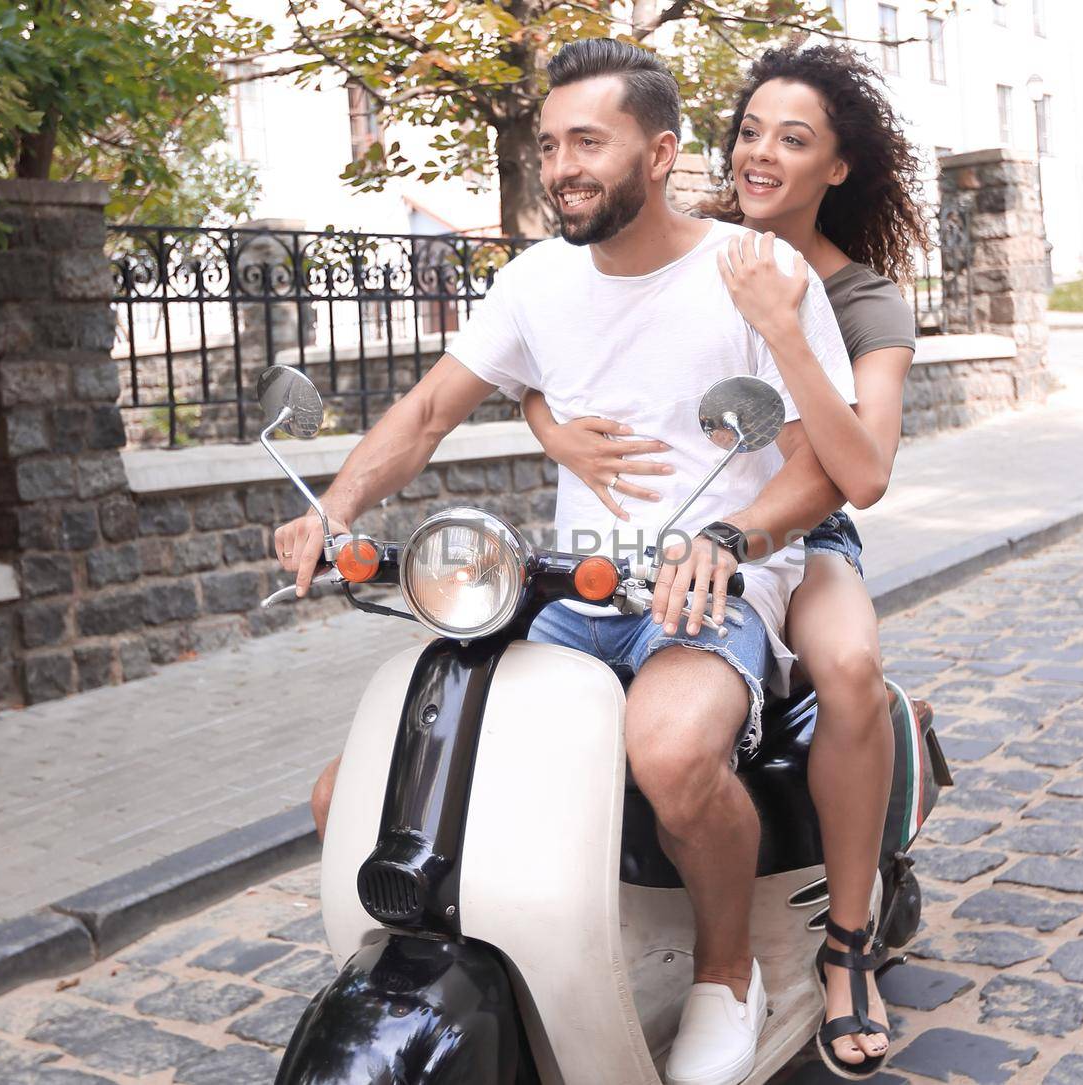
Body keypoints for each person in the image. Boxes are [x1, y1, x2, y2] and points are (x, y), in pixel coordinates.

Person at [280, 38, 860, 1085]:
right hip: (569, 585)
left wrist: (730, 539)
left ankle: (727, 973)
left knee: (675, 749)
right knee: (362, 785)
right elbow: (424, 414)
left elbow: (819, 467)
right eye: (549, 146)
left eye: (586, 141)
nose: (560, 167)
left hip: (705, 584)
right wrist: (337, 504)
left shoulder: (752, 271)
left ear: (659, 152)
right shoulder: (537, 282)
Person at [518, 44, 924, 1077]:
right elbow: (553, 348)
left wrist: (784, 331)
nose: (760, 153)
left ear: (836, 165)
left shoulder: (858, 295)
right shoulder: (686, 245)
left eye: (793, 139)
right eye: (749, 129)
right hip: (685, 538)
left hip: (804, 521)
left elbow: (859, 470)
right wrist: (549, 427)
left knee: (845, 668)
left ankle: (842, 945)